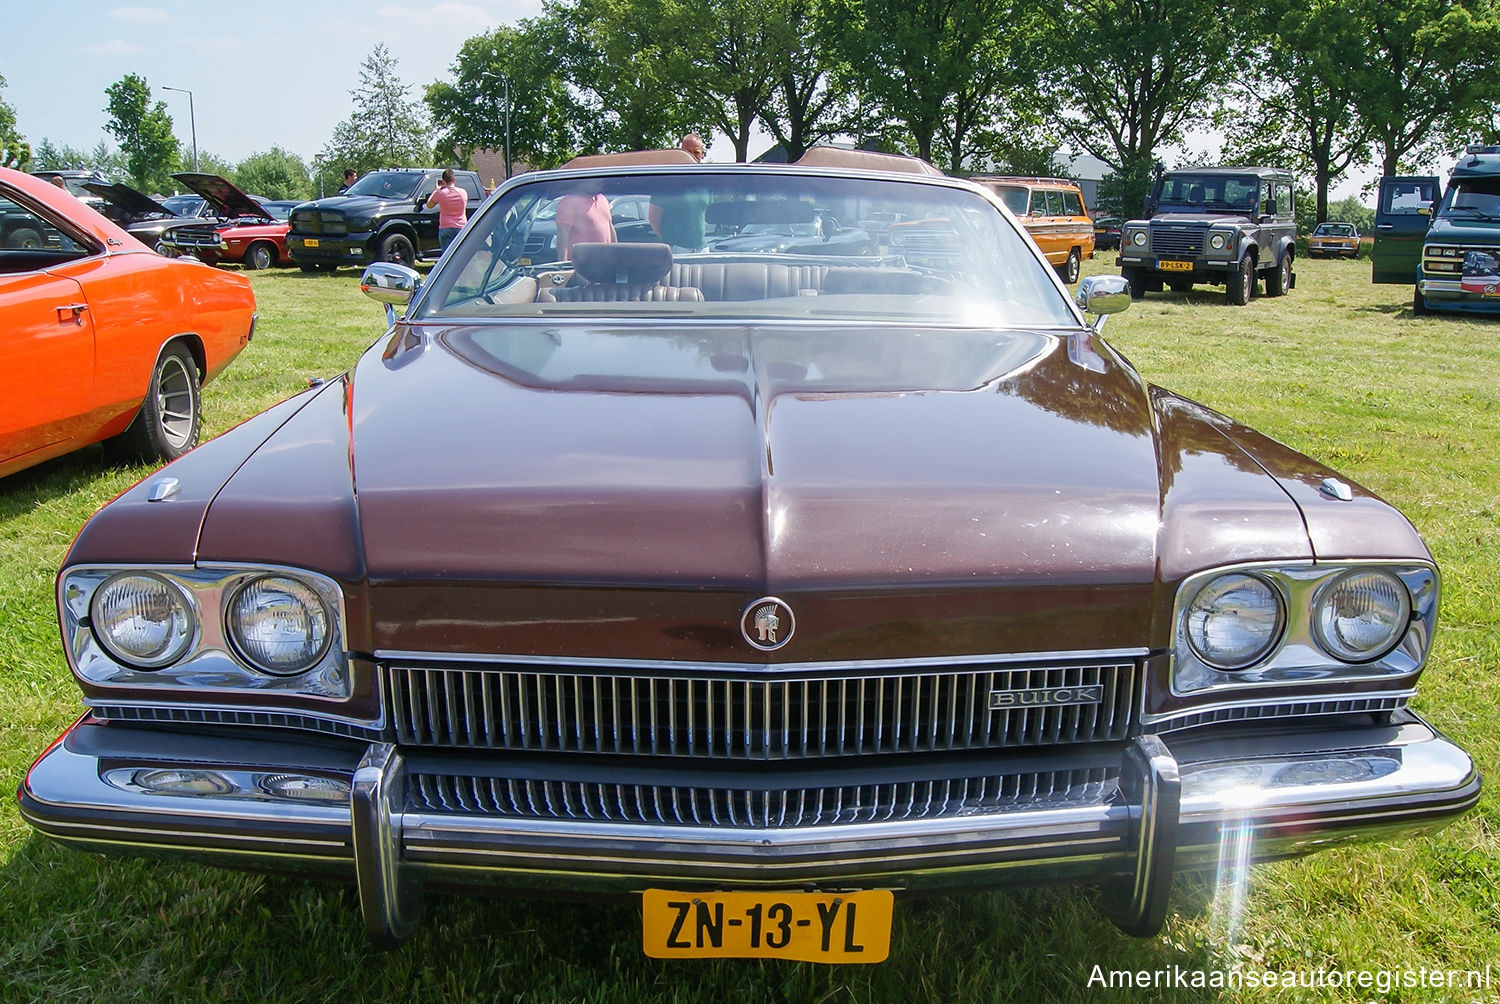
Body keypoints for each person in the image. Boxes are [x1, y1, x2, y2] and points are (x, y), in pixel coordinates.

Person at [649, 133, 711, 254]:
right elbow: (653, 218)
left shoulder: (705, 182)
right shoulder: (667, 182)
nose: (692, 156)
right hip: (677, 248)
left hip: (702, 248)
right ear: (681, 152)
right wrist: (670, 242)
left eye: (696, 152)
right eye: (687, 152)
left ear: (702, 154)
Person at [555, 184, 616, 260]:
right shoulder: (569, 202)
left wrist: (615, 256)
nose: (600, 182)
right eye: (595, 179)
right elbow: (563, 235)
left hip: (604, 264)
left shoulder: (602, 199)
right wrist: (562, 265)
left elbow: (610, 226)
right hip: (581, 266)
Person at [425, 168, 468, 252]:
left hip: (445, 226)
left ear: (443, 181)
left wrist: (436, 190)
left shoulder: (440, 193)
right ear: (454, 179)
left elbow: (429, 205)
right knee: (460, 253)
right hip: (461, 226)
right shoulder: (463, 192)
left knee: (446, 254)